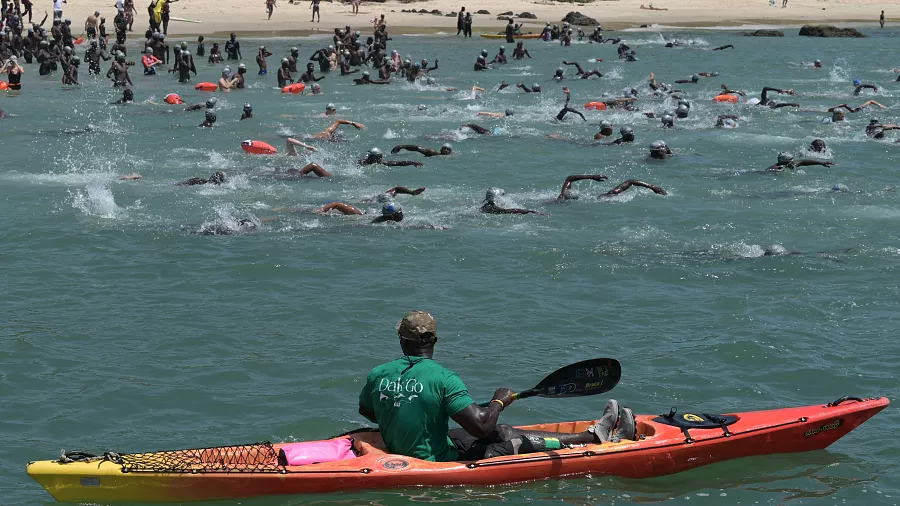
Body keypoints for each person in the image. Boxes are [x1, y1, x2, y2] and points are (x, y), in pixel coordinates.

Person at [358, 311, 635, 463]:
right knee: (513, 441)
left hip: (411, 444)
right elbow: (480, 427)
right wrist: (498, 401)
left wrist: (408, 408)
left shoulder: (377, 374)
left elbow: (369, 412)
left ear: (401, 340)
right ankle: (597, 441)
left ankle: (592, 434)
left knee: (502, 430)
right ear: (435, 342)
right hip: (433, 459)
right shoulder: (443, 378)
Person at [556, 175, 667, 201]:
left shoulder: (561, 197)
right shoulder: (604, 197)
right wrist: (652, 187)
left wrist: (593, 177)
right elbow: (631, 181)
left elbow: (569, 179)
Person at [765, 152, 834, 172]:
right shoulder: (774, 169)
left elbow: (804, 162)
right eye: (791, 162)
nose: (793, 163)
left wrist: (822, 163)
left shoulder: (791, 164)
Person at [359, 147, 423, 167]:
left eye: (381, 156)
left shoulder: (379, 162)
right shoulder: (362, 162)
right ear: (372, 157)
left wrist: (412, 162)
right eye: (379, 157)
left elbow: (398, 163)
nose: (381, 158)